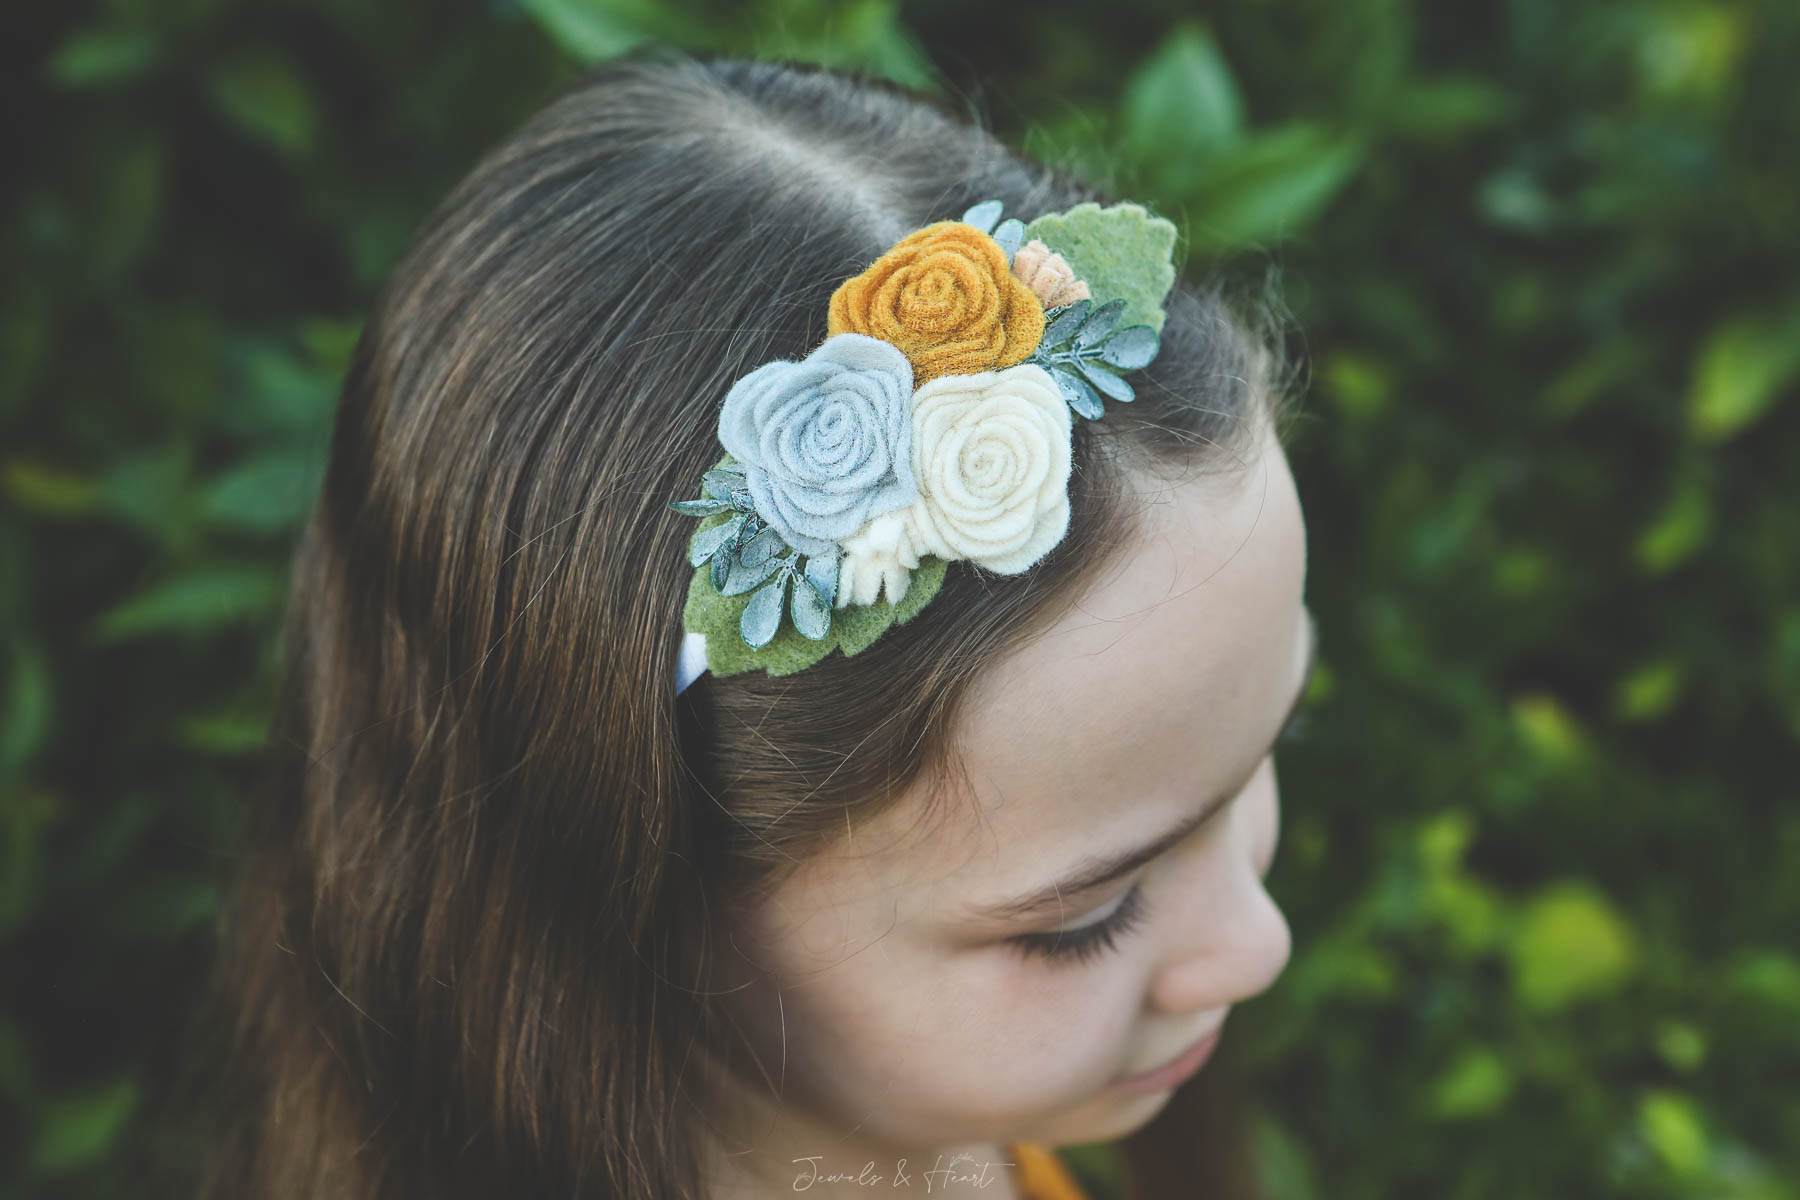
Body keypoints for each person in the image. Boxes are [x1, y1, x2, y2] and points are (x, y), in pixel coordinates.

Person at [188, 47, 1311, 1200]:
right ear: (630, 895)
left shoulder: (949, 1139)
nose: (1258, 942)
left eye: (1264, 750)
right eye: (1085, 921)